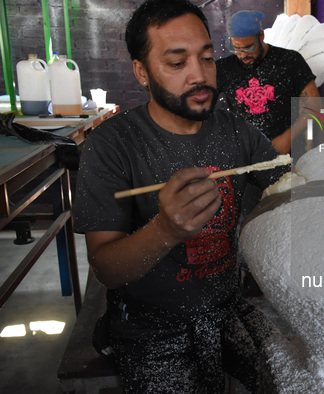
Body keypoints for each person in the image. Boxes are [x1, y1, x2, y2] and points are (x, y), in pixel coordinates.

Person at [72, 1, 288, 392]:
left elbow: (292, 189)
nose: (199, 75)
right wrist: (166, 230)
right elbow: (105, 267)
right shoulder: (111, 145)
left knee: (293, 377)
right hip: (148, 324)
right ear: (142, 71)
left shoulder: (237, 133)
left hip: (227, 306)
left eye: (207, 58)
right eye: (177, 63)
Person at [216, 10, 322, 155]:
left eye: (248, 47)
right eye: (237, 49)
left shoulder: (289, 61)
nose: (243, 55)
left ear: (261, 35)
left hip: (288, 153)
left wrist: (287, 138)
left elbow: (314, 105)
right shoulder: (224, 68)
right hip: (245, 155)